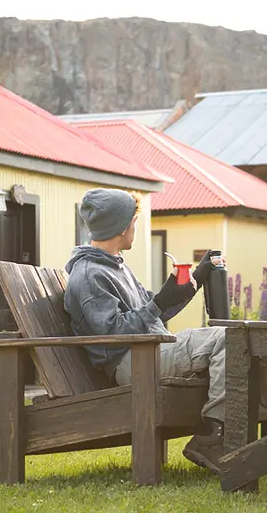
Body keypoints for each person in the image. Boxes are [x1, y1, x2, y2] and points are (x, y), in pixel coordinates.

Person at [64, 187, 228, 474]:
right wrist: (158, 303)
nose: (135, 228)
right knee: (226, 338)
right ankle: (211, 439)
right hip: (133, 361)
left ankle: (217, 435)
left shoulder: (115, 267)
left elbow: (154, 311)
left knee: (231, 336)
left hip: (150, 350)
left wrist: (194, 281)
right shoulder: (90, 275)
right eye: (134, 221)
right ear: (121, 226)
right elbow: (113, 333)